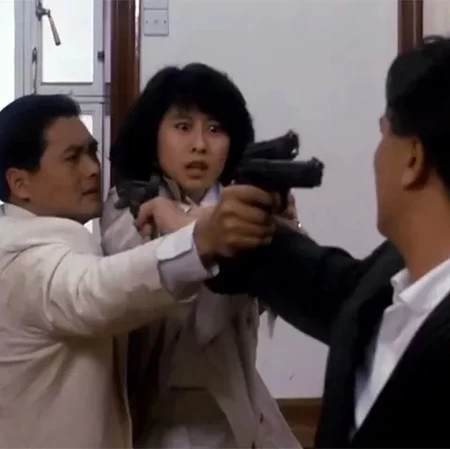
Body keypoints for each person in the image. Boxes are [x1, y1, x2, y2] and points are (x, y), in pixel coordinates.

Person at [205, 35, 450, 448]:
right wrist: (216, 231)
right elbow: (328, 286)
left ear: (412, 158)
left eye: (383, 134)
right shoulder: (394, 272)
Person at [0, 94, 279, 448]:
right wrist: (200, 238)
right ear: (20, 183)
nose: (92, 169)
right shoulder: (25, 256)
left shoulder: (54, 237)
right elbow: (94, 291)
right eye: (72, 157)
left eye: (92, 152)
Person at [102, 63, 300, 448]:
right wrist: (201, 226)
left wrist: (283, 227)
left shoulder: (243, 202)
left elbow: (288, 286)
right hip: (157, 410)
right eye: (182, 127)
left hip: (235, 400)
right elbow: (136, 275)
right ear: (153, 134)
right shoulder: (128, 203)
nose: (200, 145)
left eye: (215, 129)